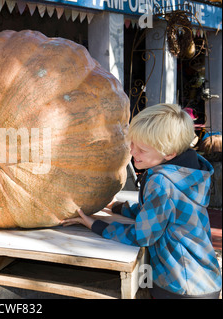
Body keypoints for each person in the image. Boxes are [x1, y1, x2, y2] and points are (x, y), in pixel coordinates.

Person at [62, 103, 222, 299]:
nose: (133, 152)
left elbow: (142, 235)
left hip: (180, 285)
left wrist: (95, 225)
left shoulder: (161, 182)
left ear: (169, 153)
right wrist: (119, 208)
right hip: (204, 279)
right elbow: (158, 211)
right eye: (132, 144)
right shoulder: (187, 173)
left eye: (142, 149)